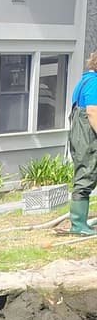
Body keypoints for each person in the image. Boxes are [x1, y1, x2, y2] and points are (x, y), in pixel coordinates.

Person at [68, 51, 97, 237]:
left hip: (81, 134)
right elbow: (93, 112)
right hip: (87, 136)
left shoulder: (84, 81)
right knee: (86, 175)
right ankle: (78, 225)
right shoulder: (94, 83)